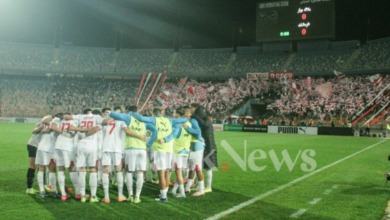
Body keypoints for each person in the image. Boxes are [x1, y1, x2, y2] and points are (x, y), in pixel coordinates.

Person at [112, 107, 187, 202]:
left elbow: (143, 119)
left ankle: (163, 197)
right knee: (167, 173)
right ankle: (162, 194)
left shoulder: (153, 119)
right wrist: (187, 117)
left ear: (153, 113)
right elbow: (182, 121)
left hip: (159, 149)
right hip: (169, 149)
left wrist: (132, 113)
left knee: (160, 173)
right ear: (162, 112)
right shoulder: (170, 120)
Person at [64, 108, 102, 202]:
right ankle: (93, 196)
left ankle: (83, 196)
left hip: (80, 146)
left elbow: (67, 121)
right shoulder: (97, 118)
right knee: (93, 169)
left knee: (82, 170)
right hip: (92, 147)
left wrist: (82, 130)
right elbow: (97, 129)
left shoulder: (79, 118)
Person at [190, 103, 217, 193]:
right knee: (200, 166)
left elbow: (204, 124)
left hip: (209, 146)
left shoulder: (205, 119)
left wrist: (193, 116)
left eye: (192, 109)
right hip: (207, 145)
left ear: (195, 108)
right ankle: (199, 184)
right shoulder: (204, 118)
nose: (191, 111)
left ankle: (209, 186)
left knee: (208, 166)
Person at [52, 114, 80, 201]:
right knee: (72, 168)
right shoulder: (75, 121)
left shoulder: (61, 121)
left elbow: (53, 126)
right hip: (67, 146)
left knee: (60, 169)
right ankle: (78, 193)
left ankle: (63, 194)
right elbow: (72, 131)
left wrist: (61, 132)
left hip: (58, 145)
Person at [26, 122, 44, 195]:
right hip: (33, 145)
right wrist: (41, 127)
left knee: (42, 166)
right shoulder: (41, 124)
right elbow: (34, 131)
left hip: (39, 146)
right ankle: (29, 188)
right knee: (32, 166)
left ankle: (43, 186)